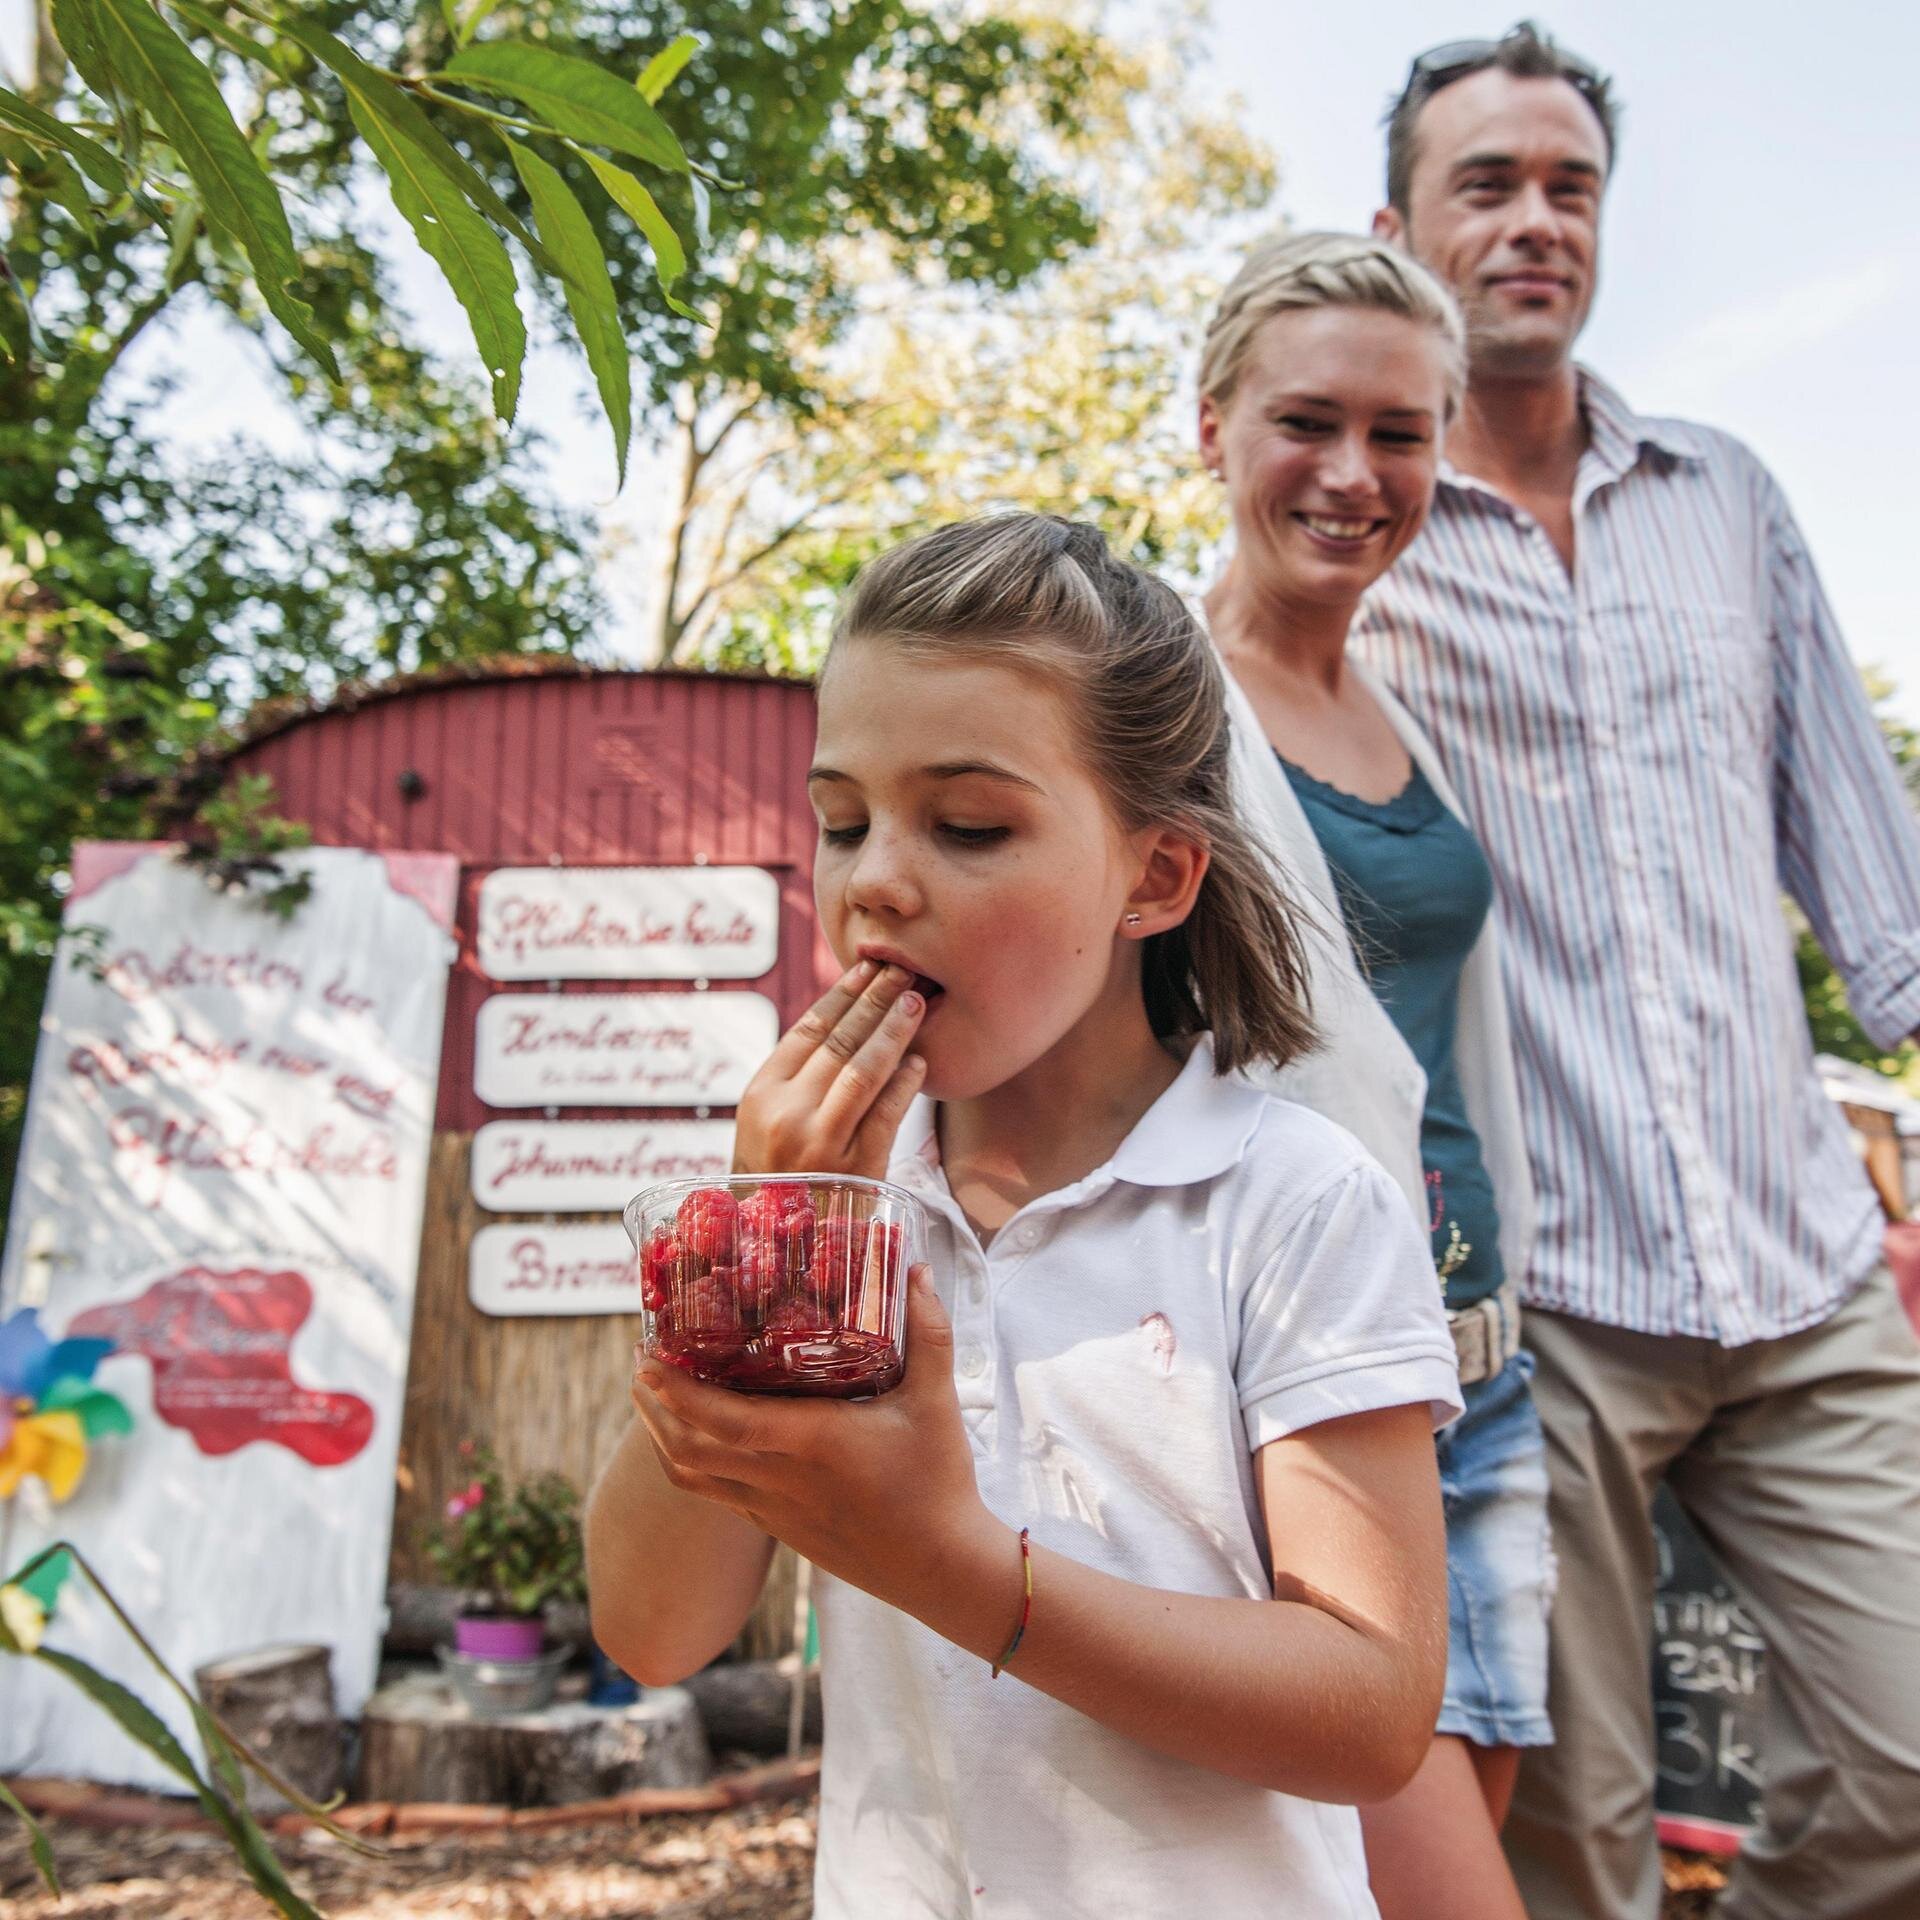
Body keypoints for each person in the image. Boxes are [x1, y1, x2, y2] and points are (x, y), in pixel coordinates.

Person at [587, 513, 1465, 1918]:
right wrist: (769, 1234)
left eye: (970, 824)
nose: (873, 877)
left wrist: (949, 1567)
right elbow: (650, 1629)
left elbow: (1369, 1711)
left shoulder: (1290, 1201)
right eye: (842, 820)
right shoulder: (828, 1218)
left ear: (1156, 877)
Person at [1356, 24, 1920, 1920]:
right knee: (1569, 1847)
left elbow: (1867, 856)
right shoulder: (1361, 531)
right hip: (1548, 1300)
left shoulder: (1728, 496)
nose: (1536, 221)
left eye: (1569, 186)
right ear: (1401, 228)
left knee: (1911, 1757)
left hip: (1800, 1267)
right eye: (1488, 185)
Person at [1197, 230, 1547, 1920]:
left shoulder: (1415, 712)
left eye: (1400, 435)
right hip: (1319, 1399)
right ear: (1212, 427)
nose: (1354, 474)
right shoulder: (1152, 711)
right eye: (1306, 422)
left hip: (1487, 1368)